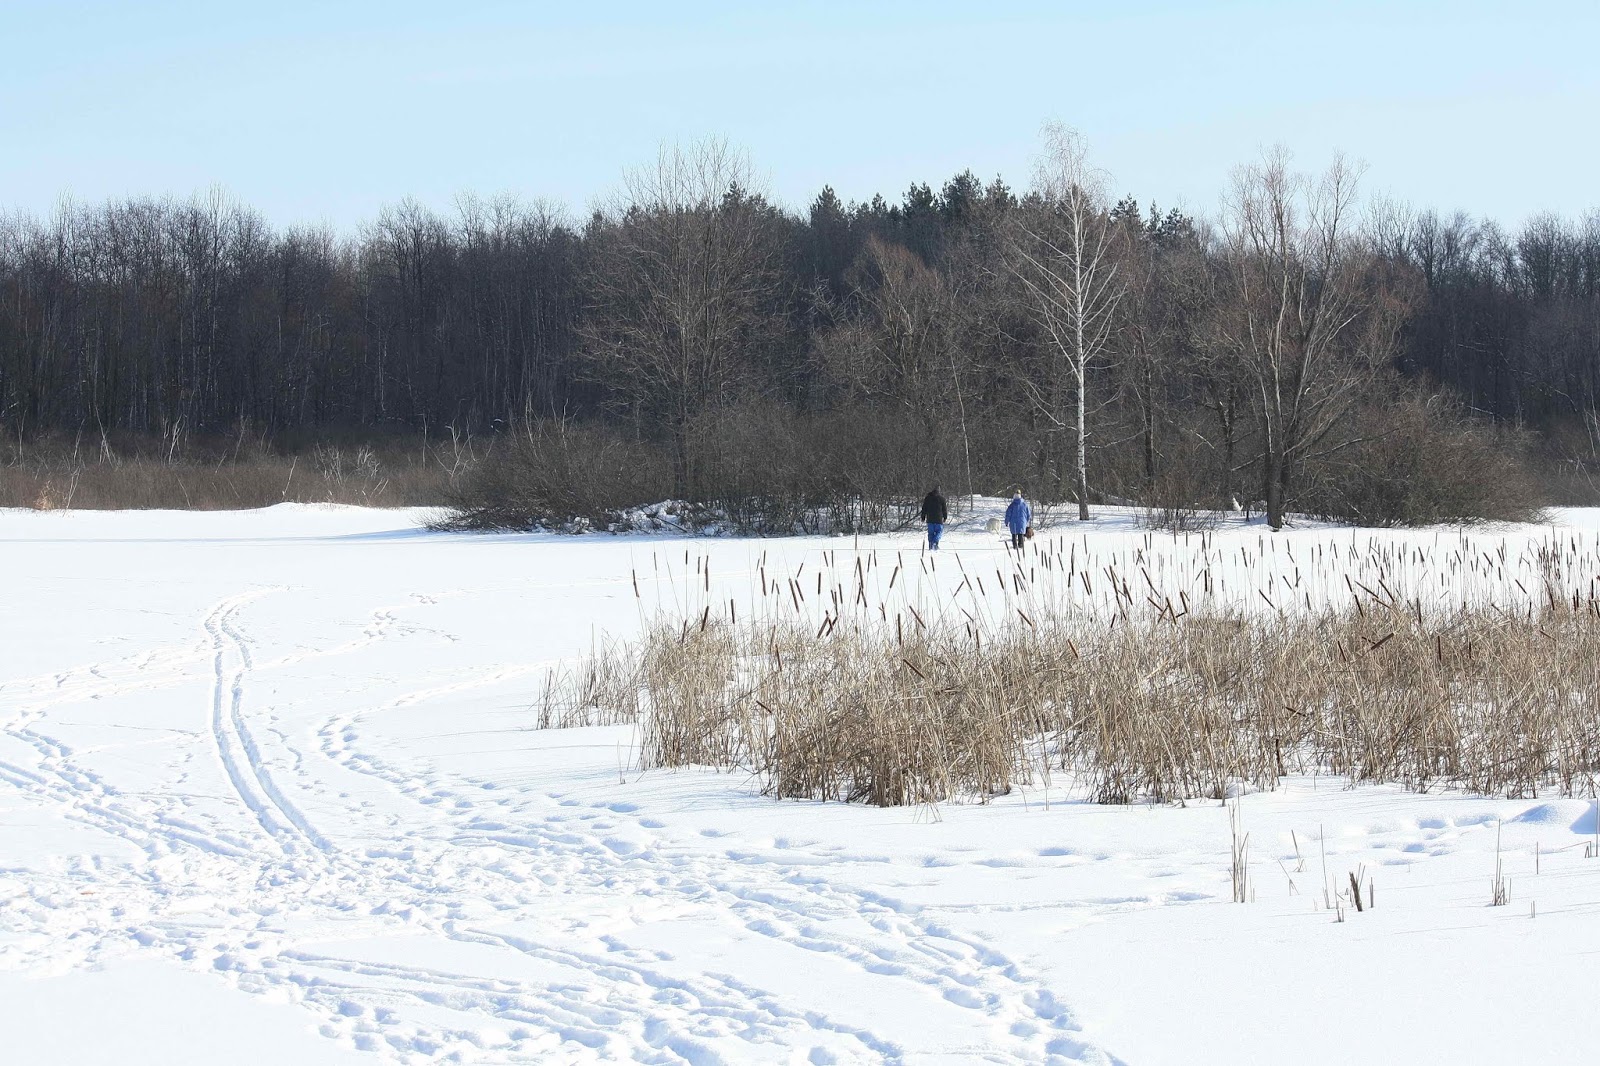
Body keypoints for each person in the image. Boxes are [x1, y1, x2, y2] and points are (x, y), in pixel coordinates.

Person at [920, 485, 948, 550]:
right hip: (938, 519)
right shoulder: (942, 499)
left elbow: (924, 508)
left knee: (931, 533)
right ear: (939, 491)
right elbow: (944, 509)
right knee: (939, 532)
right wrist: (945, 517)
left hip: (930, 519)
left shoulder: (928, 498)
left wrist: (923, 516)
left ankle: (931, 544)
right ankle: (935, 542)